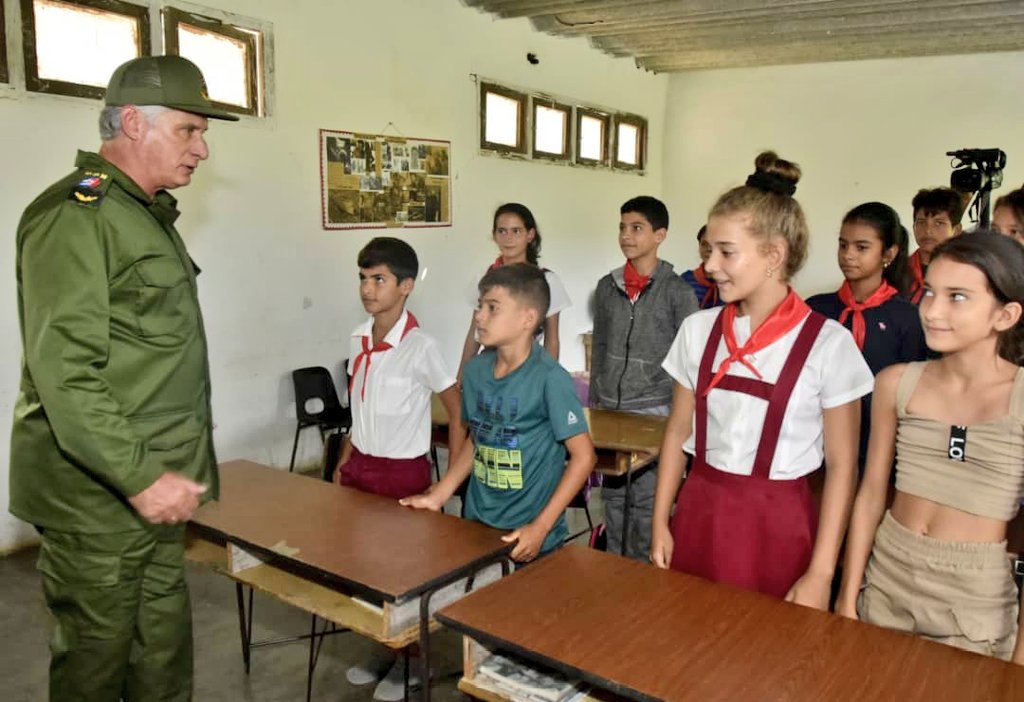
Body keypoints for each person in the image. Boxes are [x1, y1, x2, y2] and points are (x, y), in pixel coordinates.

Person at [9, 55, 237, 701]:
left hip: (157, 489)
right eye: (189, 130)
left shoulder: (143, 213)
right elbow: (66, 375)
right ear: (134, 122)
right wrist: (139, 477)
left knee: (161, 654)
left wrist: (161, 476)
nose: (203, 148)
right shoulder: (80, 214)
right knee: (96, 666)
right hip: (100, 499)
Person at [650, 151, 874, 608]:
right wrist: (660, 521)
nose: (710, 265)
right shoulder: (699, 329)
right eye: (708, 250)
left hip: (779, 525)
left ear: (774, 255)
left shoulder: (828, 345)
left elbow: (842, 468)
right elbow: (677, 431)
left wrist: (821, 572)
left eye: (726, 252)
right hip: (699, 511)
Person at [837, 232, 1024, 664]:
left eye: (958, 297)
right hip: (888, 575)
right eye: (930, 293)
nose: (933, 311)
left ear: (1006, 314)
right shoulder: (897, 382)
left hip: (974, 595)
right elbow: (869, 496)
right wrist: (848, 596)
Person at [335, 236, 463, 699]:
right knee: (364, 570)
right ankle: (381, 647)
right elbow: (359, 409)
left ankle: (411, 661)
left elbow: (455, 406)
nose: (368, 289)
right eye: (364, 278)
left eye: (380, 280)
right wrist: (345, 461)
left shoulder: (420, 346)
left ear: (406, 286)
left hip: (401, 474)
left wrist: (451, 477)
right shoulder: (356, 338)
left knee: (402, 574)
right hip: (361, 469)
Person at [402, 264, 596, 562]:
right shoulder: (477, 370)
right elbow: (478, 437)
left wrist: (540, 527)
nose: (479, 315)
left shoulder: (550, 378)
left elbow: (584, 457)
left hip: (529, 534)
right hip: (478, 524)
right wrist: (440, 493)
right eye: (480, 306)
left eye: (492, 308)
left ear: (527, 318)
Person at [590, 196, 698, 559]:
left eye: (637, 228)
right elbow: (601, 344)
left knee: (647, 505)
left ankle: (643, 578)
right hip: (611, 412)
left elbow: (690, 361)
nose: (626, 235)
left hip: (655, 413)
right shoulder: (607, 287)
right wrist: (596, 401)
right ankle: (615, 575)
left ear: (660, 235)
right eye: (622, 227)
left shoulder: (677, 292)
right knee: (615, 500)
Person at [808, 202, 928, 471]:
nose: (848, 255)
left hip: (879, 448)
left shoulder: (906, 317)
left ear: (889, 253)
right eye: (843, 245)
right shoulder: (817, 309)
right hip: (818, 443)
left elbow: (910, 392)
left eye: (861, 247)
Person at [458, 203, 571, 375]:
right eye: (502, 231)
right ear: (494, 236)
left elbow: (552, 340)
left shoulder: (546, 280)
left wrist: (546, 380)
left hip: (528, 368)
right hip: (488, 366)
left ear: (530, 235)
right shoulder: (485, 276)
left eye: (516, 231)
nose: (508, 238)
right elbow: (474, 331)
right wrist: (462, 375)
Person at [907, 188, 964, 303]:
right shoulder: (900, 271)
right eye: (922, 222)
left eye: (939, 223)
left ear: (956, 230)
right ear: (914, 227)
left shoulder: (966, 272)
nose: (928, 230)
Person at [681, 225, 722, 309]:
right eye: (704, 244)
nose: (708, 249)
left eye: (714, 244)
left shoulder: (732, 281)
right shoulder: (686, 280)